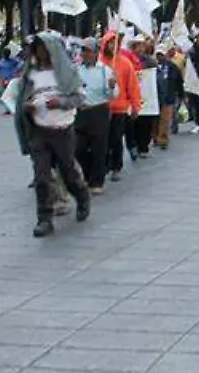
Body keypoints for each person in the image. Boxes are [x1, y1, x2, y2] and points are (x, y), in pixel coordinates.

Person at [13, 33, 91, 237]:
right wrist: (27, 107)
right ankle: (44, 218)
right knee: (42, 177)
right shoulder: (30, 73)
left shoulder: (66, 72)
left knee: (68, 171)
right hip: (39, 131)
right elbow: (21, 98)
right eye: (37, 48)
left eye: (43, 48)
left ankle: (82, 195)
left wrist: (61, 103)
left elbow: (80, 98)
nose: (40, 52)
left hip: (62, 130)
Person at [100, 31, 141, 183]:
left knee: (116, 138)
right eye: (110, 42)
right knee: (102, 139)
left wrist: (136, 105)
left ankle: (116, 166)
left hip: (120, 108)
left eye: (115, 42)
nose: (113, 46)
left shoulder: (125, 63)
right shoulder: (99, 63)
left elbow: (133, 86)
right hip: (101, 107)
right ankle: (103, 165)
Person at [75, 37, 115, 194]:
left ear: (96, 53)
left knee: (99, 148)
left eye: (87, 50)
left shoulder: (105, 71)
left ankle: (97, 181)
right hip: (80, 112)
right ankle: (85, 174)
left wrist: (112, 86)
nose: (84, 53)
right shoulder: (76, 69)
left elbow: (112, 95)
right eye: (82, 50)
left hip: (99, 111)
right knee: (79, 148)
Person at [154, 47, 182, 149]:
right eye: (158, 55)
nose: (160, 57)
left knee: (165, 119)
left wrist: (181, 94)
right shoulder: (153, 67)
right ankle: (155, 137)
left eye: (161, 54)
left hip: (168, 96)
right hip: (156, 97)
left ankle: (163, 139)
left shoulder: (173, 67)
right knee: (156, 120)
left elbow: (179, 81)